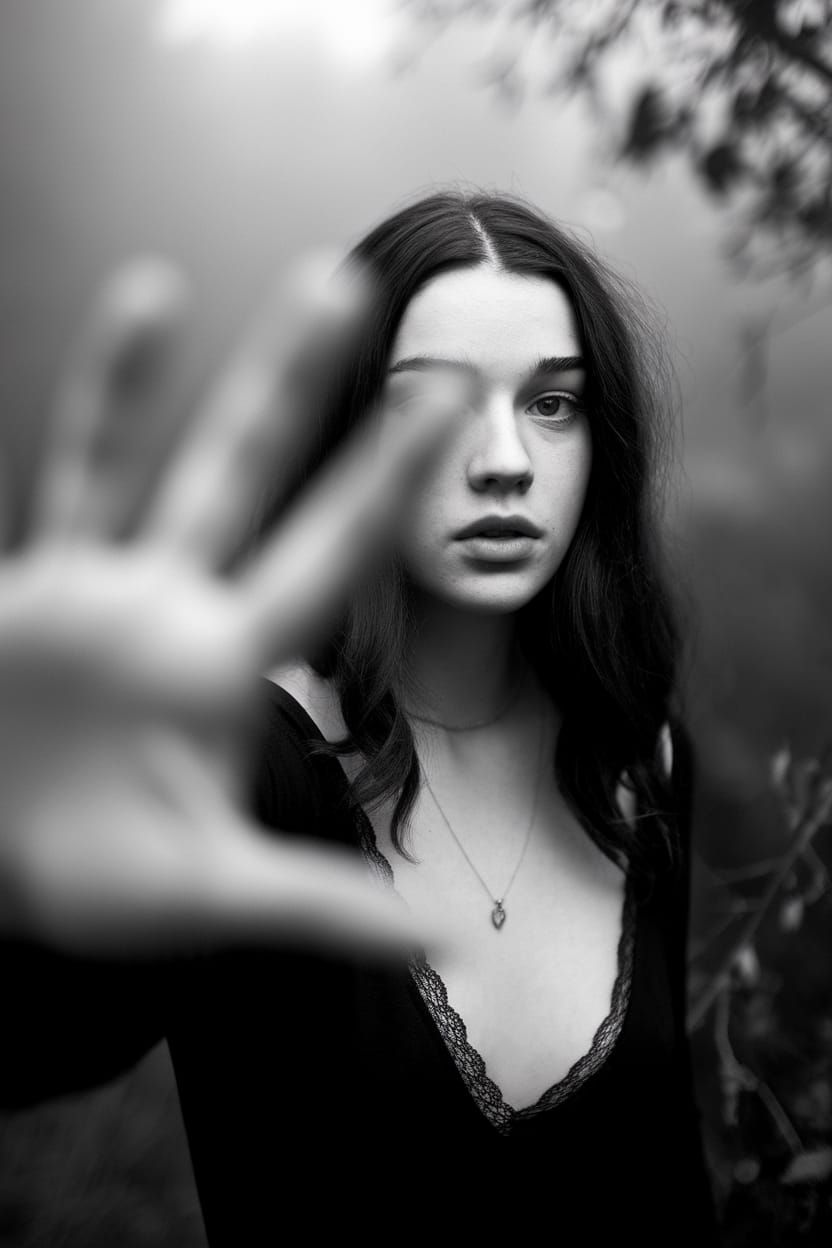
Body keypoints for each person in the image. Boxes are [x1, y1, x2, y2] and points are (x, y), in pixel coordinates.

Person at [0, 192, 720, 1244]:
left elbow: (669, 1168)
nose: (506, 459)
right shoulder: (252, 761)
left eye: (552, 403)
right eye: (431, 406)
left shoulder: (636, 757)